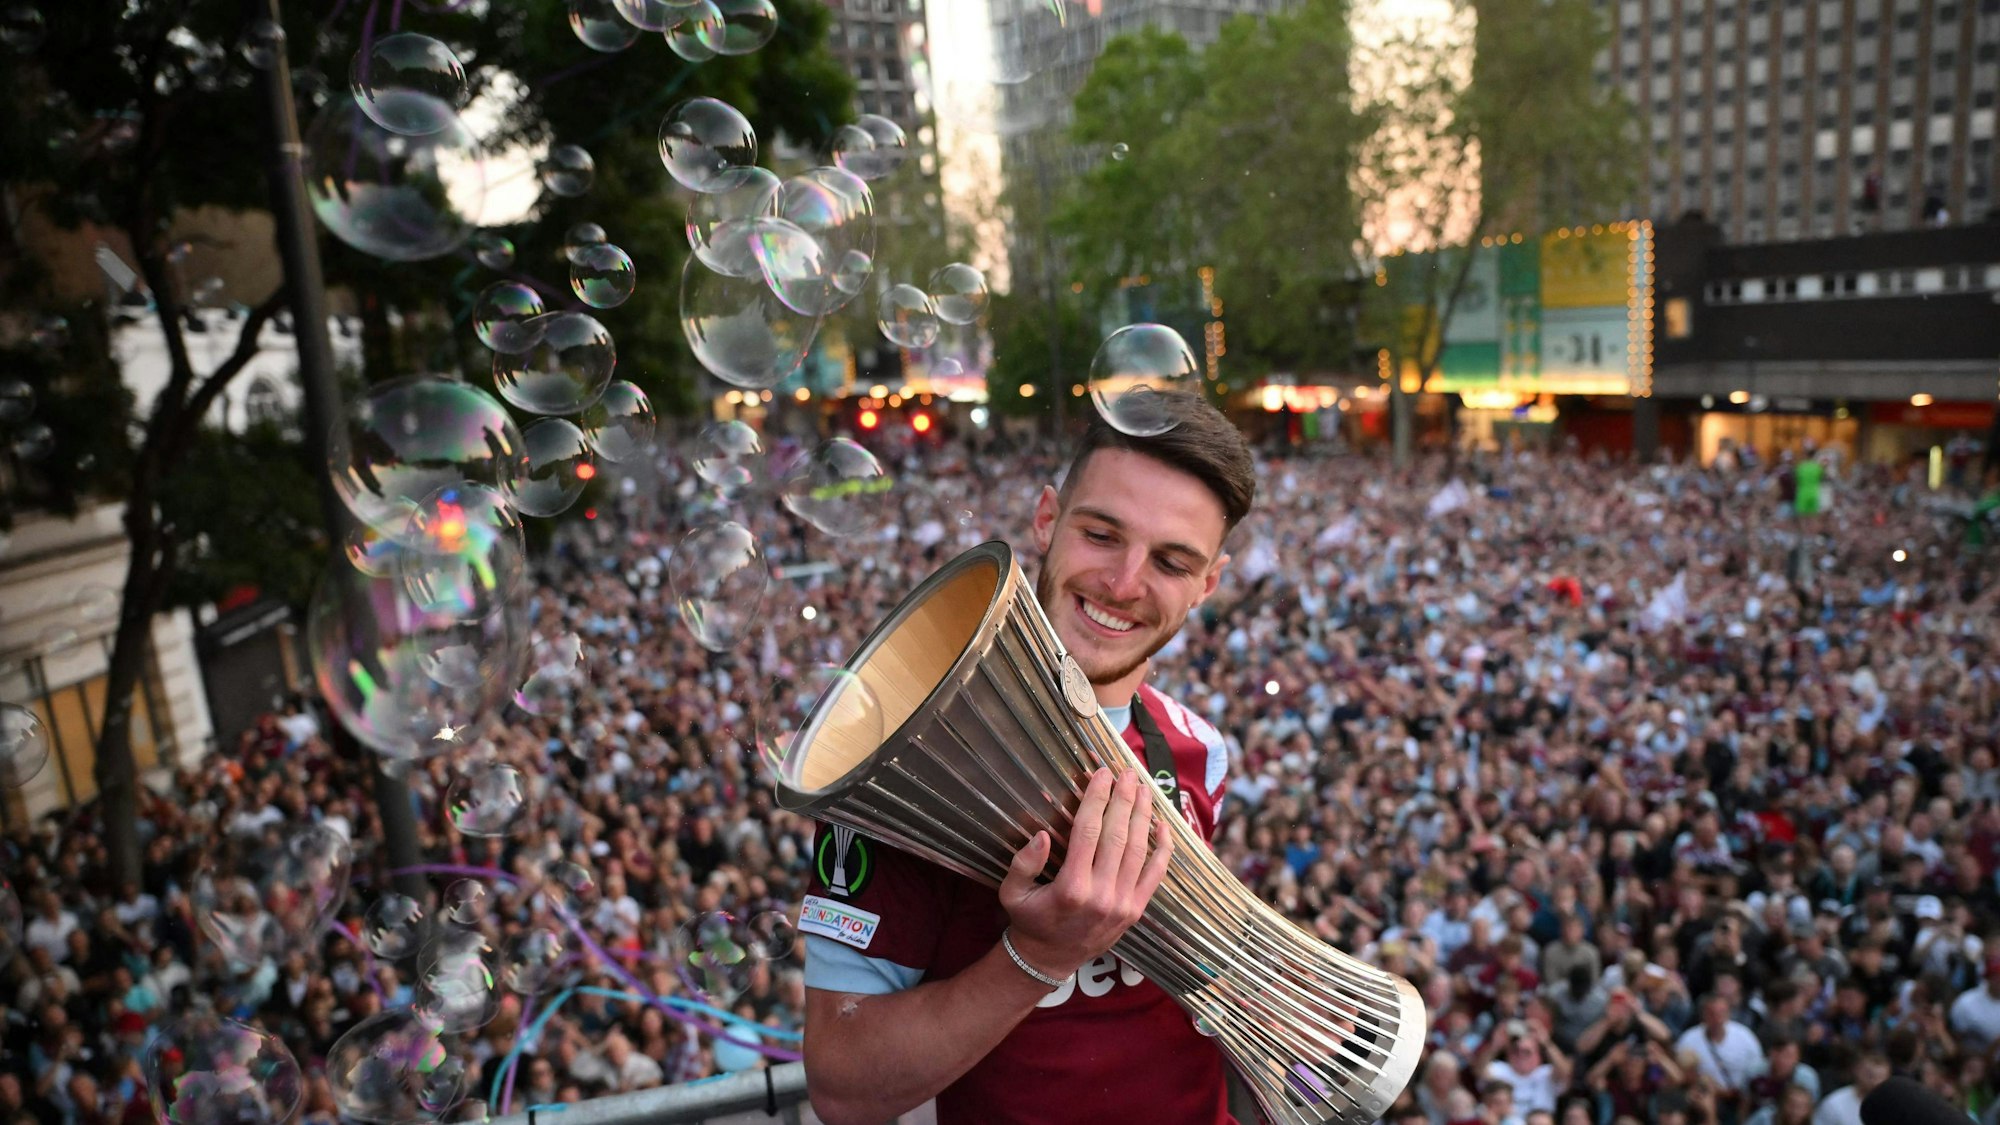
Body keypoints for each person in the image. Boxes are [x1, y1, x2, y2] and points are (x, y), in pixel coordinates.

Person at [799, 395, 1256, 1124]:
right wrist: (1037, 955)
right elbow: (842, 1085)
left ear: (1208, 584)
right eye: (1103, 534)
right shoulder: (903, 765)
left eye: (1172, 561)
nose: (1125, 581)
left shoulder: (1200, 748)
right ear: (1047, 519)